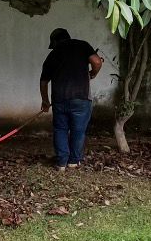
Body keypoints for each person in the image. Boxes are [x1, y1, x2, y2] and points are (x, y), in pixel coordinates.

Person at [39, 28, 104, 171]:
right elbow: (97, 62)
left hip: (60, 99)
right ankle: (73, 162)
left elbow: (44, 81)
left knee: (60, 129)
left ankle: (61, 162)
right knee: (78, 130)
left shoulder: (53, 55)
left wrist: (45, 101)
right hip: (81, 98)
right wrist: (92, 73)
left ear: (55, 42)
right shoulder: (82, 46)